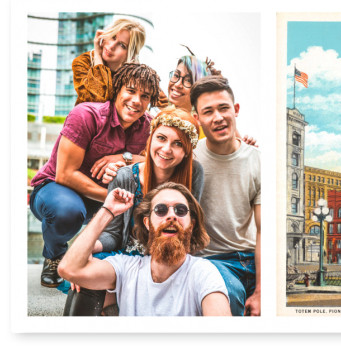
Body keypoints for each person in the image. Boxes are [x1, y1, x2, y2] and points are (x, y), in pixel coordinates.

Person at [62, 107, 204, 316]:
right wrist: (91, 248)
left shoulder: (194, 172)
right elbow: (112, 233)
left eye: (178, 144)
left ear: (186, 152)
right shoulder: (125, 176)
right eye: (161, 138)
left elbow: (191, 229)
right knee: (84, 279)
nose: (166, 149)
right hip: (126, 255)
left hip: (168, 256)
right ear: (150, 140)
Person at [29, 62, 160, 288]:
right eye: (130, 90)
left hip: (106, 198)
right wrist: (112, 199)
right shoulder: (86, 115)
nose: (137, 100)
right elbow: (65, 174)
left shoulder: (150, 127)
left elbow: (158, 159)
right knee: (67, 212)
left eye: (145, 95)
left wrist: (124, 156)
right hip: (56, 189)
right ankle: (54, 255)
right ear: (117, 89)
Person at [58, 183, 231, 316]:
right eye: (161, 210)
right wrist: (107, 211)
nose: (171, 215)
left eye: (180, 210)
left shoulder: (203, 273)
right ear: (147, 223)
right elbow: (69, 269)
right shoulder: (126, 267)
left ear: (191, 225)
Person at [190, 75, 261, 316]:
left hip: (254, 258)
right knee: (228, 297)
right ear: (197, 119)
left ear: (236, 110)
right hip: (213, 261)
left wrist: (261, 290)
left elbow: (264, 231)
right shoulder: (189, 159)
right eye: (208, 112)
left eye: (223, 108)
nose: (218, 117)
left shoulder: (258, 160)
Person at [72, 18, 146, 106]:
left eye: (122, 45)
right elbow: (96, 100)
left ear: (131, 54)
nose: (111, 46)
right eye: (113, 37)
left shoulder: (133, 76)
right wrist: (98, 57)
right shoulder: (83, 62)